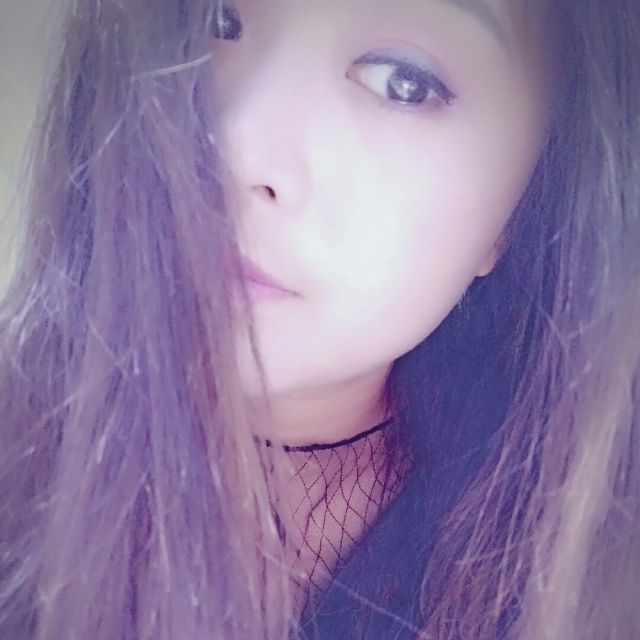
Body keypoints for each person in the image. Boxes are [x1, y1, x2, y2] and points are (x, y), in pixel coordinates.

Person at [0, 0, 638, 638]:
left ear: (527, 200)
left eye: (402, 81)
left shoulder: (569, 584)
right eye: (214, 22)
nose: (235, 149)